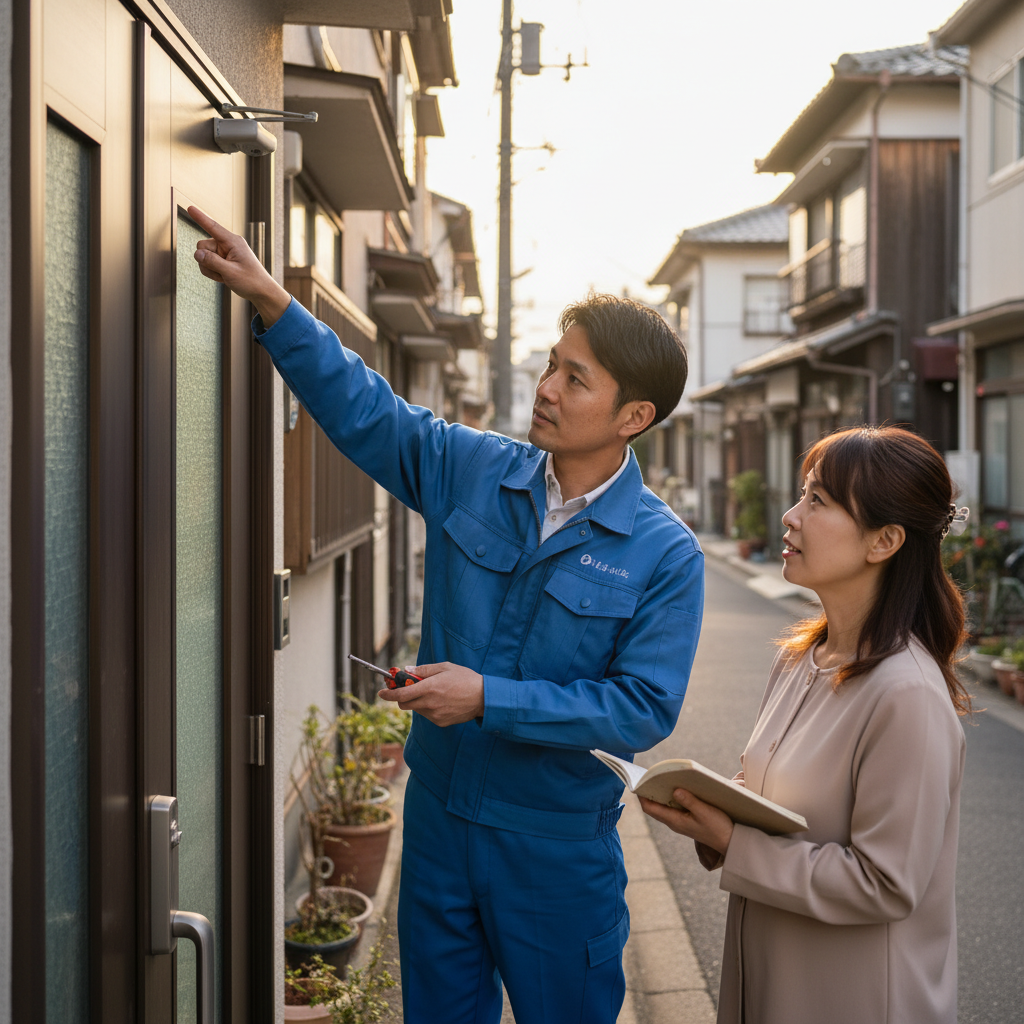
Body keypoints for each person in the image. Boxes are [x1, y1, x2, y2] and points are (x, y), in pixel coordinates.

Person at [188, 207, 704, 1024]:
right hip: (435, 821)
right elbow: (368, 412)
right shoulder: (472, 469)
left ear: (633, 416)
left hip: (555, 852)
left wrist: (487, 698)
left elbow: (643, 707)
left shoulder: (666, 553)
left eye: (576, 378)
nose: (545, 388)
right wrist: (272, 302)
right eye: (550, 365)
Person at [641, 425, 969, 1024]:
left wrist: (730, 841)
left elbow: (885, 884)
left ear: (885, 541)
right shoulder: (800, 659)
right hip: (774, 978)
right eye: (802, 495)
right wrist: (718, 808)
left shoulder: (908, 696)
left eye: (818, 501)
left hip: (858, 998)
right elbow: (778, 803)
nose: (790, 516)